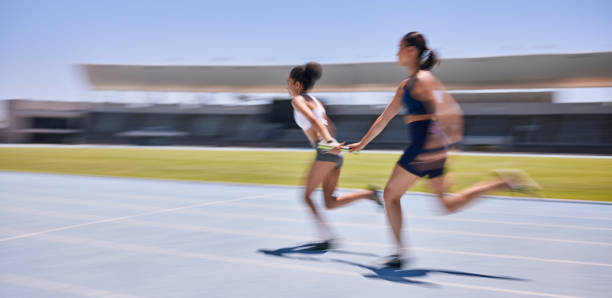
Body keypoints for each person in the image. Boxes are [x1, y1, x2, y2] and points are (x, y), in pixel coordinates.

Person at [348, 32, 540, 268]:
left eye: (399, 48)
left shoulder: (423, 80)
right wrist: (361, 143)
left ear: (411, 51)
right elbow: (384, 118)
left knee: (390, 195)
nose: (396, 53)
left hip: (423, 147)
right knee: (446, 204)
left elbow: (450, 110)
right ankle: (501, 182)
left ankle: (399, 254)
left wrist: (449, 142)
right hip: (432, 148)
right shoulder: (406, 85)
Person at [288, 62, 383, 249]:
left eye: (289, 83)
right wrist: (331, 141)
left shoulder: (297, 100)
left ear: (298, 84)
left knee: (306, 196)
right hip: (334, 151)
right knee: (330, 202)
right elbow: (328, 125)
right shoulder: (317, 101)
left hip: (326, 149)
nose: (287, 87)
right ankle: (369, 194)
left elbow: (314, 121)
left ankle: (327, 238)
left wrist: (327, 143)